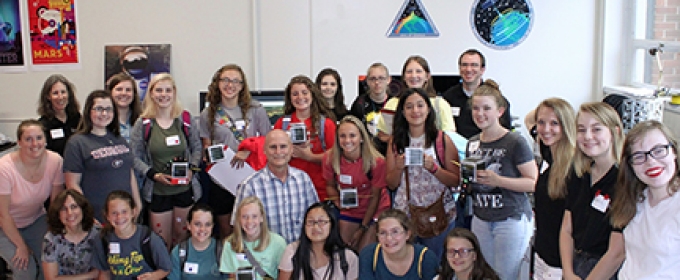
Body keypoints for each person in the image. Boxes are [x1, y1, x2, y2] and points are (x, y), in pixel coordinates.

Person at [466, 80, 537, 280]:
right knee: (485, 275)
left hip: (510, 219)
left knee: (504, 276)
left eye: (487, 108)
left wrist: (499, 180)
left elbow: (533, 182)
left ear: (500, 111)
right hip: (481, 218)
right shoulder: (473, 142)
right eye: (476, 108)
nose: (480, 114)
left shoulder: (515, 142)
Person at [385, 88, 460, 258]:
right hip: (406, 215)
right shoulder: (395, 142)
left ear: (428, 109)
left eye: (420, 105)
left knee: (434, 264)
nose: (415, 111)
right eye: (409, 106)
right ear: (402, 112)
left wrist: (434, 169)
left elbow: (455, 180)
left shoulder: (442, 140)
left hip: (438, 213)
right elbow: (391, 183)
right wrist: (398, 167)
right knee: (407, 265)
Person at [131, 73, 202, 249]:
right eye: (159, 90)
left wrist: (191, 170)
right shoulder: (144, 123)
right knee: (161, 240)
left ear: (174, 93)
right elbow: (134, 156)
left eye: (168, 90)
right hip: (158, 192)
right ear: (151, 93)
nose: (164, 95)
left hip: (184, 190)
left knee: (182, 237)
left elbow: (197, 148)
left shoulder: (185, 119)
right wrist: (153, 175)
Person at [200, 64, 271, 239]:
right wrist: (209, 156)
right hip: (223, 179)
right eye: (225, 80)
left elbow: (269, 141)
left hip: (252, 175)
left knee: (253, 226)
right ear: (217, 83)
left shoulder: (256, 110)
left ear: (242, 85)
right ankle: (231, 264)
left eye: (235, 81)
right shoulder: (208, 113)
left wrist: (249, 148)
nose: (230, 85)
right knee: (226, 230)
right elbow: (206, 146)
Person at [558, 102, 624, 280]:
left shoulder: (623, 182)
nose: (587, 136)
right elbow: (566, 229)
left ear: (615, 132)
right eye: (581, 129)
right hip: (575, 264)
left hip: (605, 269)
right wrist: (568, 272)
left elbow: (617, 252)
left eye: (596, 129)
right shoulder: (579, 174)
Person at [609, 120, 680, 279]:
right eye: (639, 156)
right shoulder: (637, 199)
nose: (651, 162)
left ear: (674, 151)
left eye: (659, 150)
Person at [63, 90, 142, 224]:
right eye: (99, 109)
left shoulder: (119, 139)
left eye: (108, 109)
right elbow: (72, 184)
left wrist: (137, 204)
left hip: (124, 215)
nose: (104, 114)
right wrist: (87, 214)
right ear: (89, 111)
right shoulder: (77, 143)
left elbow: (129, 173)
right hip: (97, 216)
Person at [0, 120, 64, 280]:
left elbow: (55, 203)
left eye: (39, 138)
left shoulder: (55, 161)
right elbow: (3, 214)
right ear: (19, 142)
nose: (35, 144)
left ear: (46, 140)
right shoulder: (4, 168)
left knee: (49, 264)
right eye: (28, 139)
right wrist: (21, 246)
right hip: (4, 225)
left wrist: (53, 233)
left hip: (35, 220)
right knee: (26, 269)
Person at [234, 129, 319, 243]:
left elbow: (315, 218)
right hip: (265, 256)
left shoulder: (303, 180)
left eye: (283, 146)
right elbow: (238, 227)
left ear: (291, 149)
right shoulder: (249, 186)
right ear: (264, 150)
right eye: (273, 147)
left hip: (300, 253)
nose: (278, 152)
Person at [323, 115, 390, 252]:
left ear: (361, 138)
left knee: (365, 252)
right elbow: (330, 185)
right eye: (342, 136)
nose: (347, 140)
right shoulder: (330, 158)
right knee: (345, 250)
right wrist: (338, 202)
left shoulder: (376, 162)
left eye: (352, 135)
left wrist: (363, 227)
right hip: (350, 209)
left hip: (374, 209)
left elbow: (375, 197)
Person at [530, 98, 577, 280]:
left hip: (559, 262)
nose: (546, 129)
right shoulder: (550, 155)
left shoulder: (573, 168)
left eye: (554, 123)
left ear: (566, 126)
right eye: (541, 122)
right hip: (542, 253)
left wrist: (567, 270)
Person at [273, 75, 336, 201]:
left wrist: (310, 157)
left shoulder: (326, 124)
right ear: (289, 98)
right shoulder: (282, 124)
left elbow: (335, 156)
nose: (300, 97)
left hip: (320, 188)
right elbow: (273, 153)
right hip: (290, 189)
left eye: (304, 93)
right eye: (295, 94)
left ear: (312, 95)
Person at [91, 190, 172, 279]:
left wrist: (152, 277)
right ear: (107, 216)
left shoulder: (149, 239)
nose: (119, 217)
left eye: (124, 212)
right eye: (114, 213)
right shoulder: (102, 239)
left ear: (133, 212)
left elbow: (166, 269)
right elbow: (104, 272)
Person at [376, 55, 456, 144]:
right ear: (404, 77)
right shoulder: (392, 103)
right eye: (409, 72)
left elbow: (450, 137)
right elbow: (382, 134)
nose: (413, 76)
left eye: (418, 71)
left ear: (427, 76)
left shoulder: (440, 104)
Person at [441, 49, 512, 139]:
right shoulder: (448, 98)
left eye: (474, 65)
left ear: (482, 69)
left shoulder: (496, 100)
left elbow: (505, 136)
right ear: (459, 68)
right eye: (464, 65)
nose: (468, 69)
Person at [278, 202, 359, 280]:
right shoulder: (292, 251)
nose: (316, 227)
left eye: (321, 222)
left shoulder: (348, 257)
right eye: (311, 222)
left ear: (332, 224)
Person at [358, 209, 438, 279]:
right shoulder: (369, 255)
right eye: (383, 233)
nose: (389, 238)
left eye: (395, 232)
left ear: (407, 234)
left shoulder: (425, 258)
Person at [220, 196, 287, 279]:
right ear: (239, 219)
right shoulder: (230, 243)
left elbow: (285, 274)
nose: (249, 221)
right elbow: (232, 276)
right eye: (244, 217)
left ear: (261, 217)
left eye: (254, 216)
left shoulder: (278, 243)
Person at [42, 189, 99, 279]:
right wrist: (90, 275)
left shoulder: (97, 234)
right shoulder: (51, 239)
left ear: (82, 209)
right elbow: (51, 278)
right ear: (58, 214)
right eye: (64, 209)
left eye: (74, 207)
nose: (69, 213)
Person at [168, 203, 223, 280]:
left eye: (207, 224)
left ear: (212, 226)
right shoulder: (177, 252)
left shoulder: (222, 251)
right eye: (197, 224)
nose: (202, 229)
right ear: (188, 225)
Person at [350, 63, 392, 155]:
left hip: (390, 153)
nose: (377, 82)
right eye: (373, 79)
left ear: (388, 80)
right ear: (367, 81)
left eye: (381, 78)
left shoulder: (395, 103)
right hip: (366, 154)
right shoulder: (359, 103)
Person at [37, 74, 81, 156]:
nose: (60, 97)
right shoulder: (43, 125)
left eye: (63, 92)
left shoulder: (77, 118)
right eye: (55, 93)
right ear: (48, 96)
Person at [435, 228, 500, 280]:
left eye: (463, 251)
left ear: (474, 255)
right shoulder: (440, 278)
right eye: (452, 251)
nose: (457, 256)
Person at [106, 72, 142, 143]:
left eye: (128, 90)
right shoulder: (103, 120)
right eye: (119, 89)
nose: (124, 93)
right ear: (110, 92)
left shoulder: (142, 120)